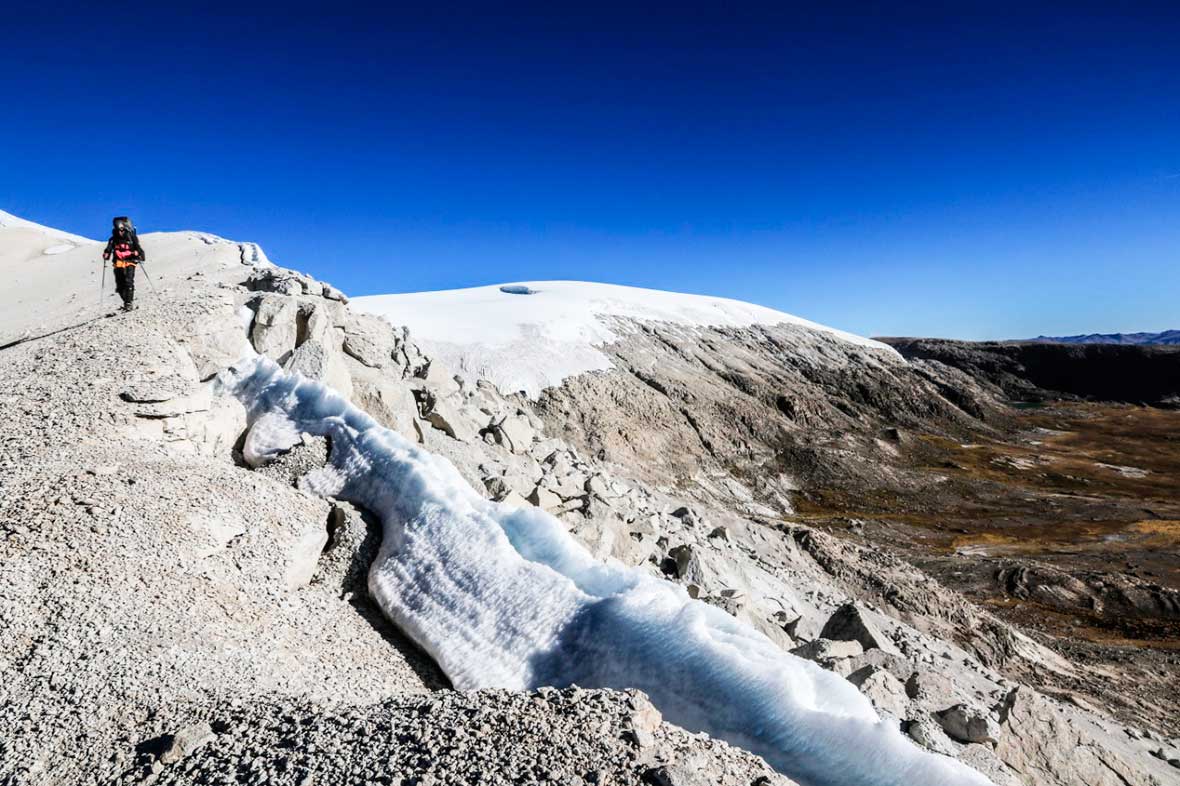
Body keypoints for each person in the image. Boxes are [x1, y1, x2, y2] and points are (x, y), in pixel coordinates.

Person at [102, 216, 146, 311]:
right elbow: (109, 249)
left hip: (130, 261)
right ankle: (127, 302)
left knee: (128, 281)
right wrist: (106, 254)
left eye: (122, 229)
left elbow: (138, 248)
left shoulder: (132, 237)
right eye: (118, 229)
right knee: (119, 286)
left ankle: (128, 303)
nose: (120, 232)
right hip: (118, 263)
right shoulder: (113, 240)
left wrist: (139, 255)